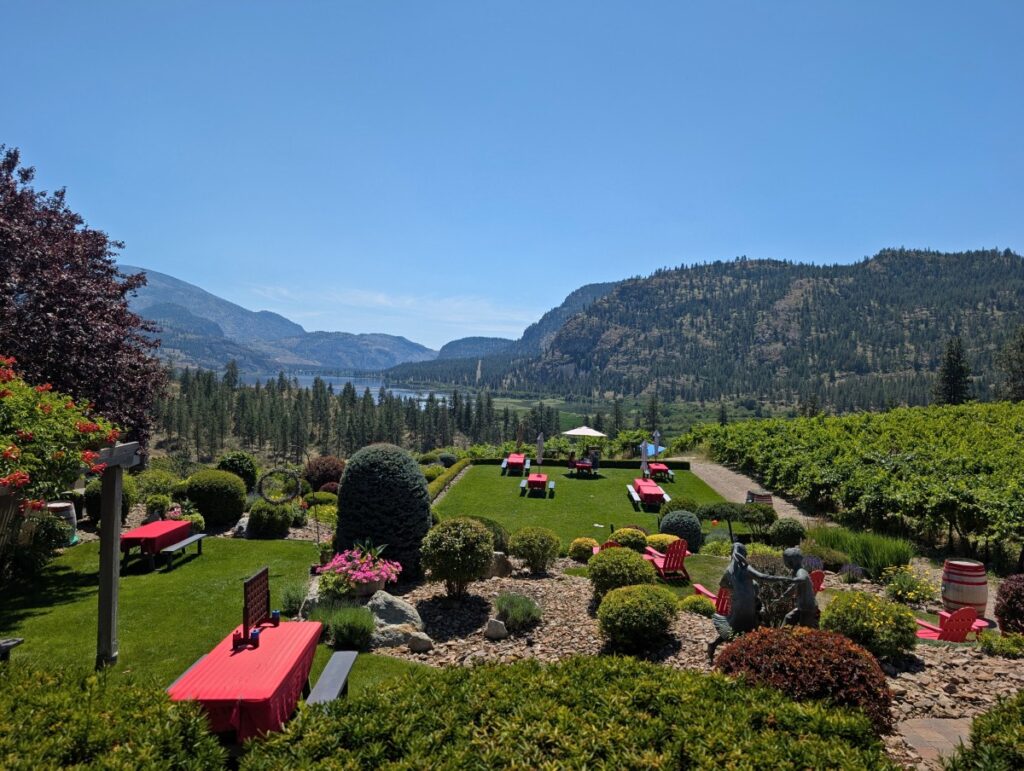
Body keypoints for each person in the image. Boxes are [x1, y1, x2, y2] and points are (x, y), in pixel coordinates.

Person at [706, 542, 796, 663]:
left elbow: (723, 584)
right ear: (743, 554)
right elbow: (763, 577)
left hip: (740, 605)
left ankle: (717, 647)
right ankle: (743, 654)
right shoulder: (745, 568)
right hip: (747, 606)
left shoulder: (729, 570)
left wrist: (735, 590)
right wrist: (783, 578)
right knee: (745, 628)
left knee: (735, 629)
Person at [779, 547, 819, 628]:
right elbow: (793, 587)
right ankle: (780, 636)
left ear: (791, 562)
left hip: (808, 607)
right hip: (802, 606)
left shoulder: (801, 571)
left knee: (804, 629)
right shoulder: (795, 571)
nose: (784, 563)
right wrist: (783, 596)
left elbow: (802, 578)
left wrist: (789, 580)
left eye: (785, 561)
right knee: (788, 618)